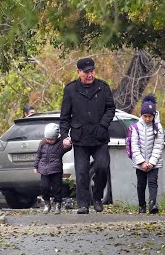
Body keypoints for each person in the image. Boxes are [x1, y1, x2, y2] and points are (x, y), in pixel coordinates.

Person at [60, 57, 116, 214]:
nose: (90, 75)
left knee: (102, 167)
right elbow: (64, 117)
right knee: (82, 172)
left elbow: (111, 109)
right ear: (78, 72)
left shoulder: (103, 87)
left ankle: (97, 198)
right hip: (80, 138)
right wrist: (65, 135)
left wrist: (103, 125)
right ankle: (83, 204)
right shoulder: (70, 90)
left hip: (100, 137)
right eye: (86, 72)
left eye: (92, 71)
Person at [130, 94, 164, 214]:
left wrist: (151, 162)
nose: (147, 119)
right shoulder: (136, 128)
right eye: (145, 116)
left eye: (150, 116)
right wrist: (141, 162)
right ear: (142, 115)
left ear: (154, 115)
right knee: (141, 184)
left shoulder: (158, 128)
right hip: (140, 162)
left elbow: (158, 145)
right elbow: (134, 145)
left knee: (152, 183)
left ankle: (152, 204)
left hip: (153, 163)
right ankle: (141, 205)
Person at [34, 123, 72, 214]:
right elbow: (38, 155)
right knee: (44, 187)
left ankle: (58, 204)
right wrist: (36, 166)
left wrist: (68, 144)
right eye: (48, 139)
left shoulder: (59, 144)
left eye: (52, 139)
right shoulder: (42, 143)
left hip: (56, 170)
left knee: (57, 188)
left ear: (56, 137)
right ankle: (47, 203)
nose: (49, 141)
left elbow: (66, 148)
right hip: (44, 170)